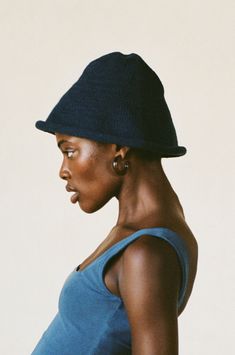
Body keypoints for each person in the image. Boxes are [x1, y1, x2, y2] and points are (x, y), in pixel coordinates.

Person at [32, 51, 198, 355]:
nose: (63, 170)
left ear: (119, 150)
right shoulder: (138, 233)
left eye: (69, 151)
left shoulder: (147, 252)